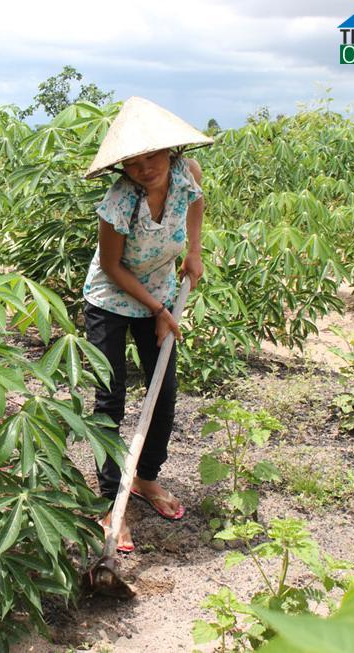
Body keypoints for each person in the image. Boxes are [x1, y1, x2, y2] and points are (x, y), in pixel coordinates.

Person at [81, 97, 213, 552]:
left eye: (151, 156)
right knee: (110, 398)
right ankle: (107, 503)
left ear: (168, 151)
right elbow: (113, 266)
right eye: (133, 163)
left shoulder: (185, 172)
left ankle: (145, 478)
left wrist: (194, 252)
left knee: (164, 390)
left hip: (158, 292)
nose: (144, 168)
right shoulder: (119, 200)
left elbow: (197, 202)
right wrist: (161, 313)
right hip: (111, 299)